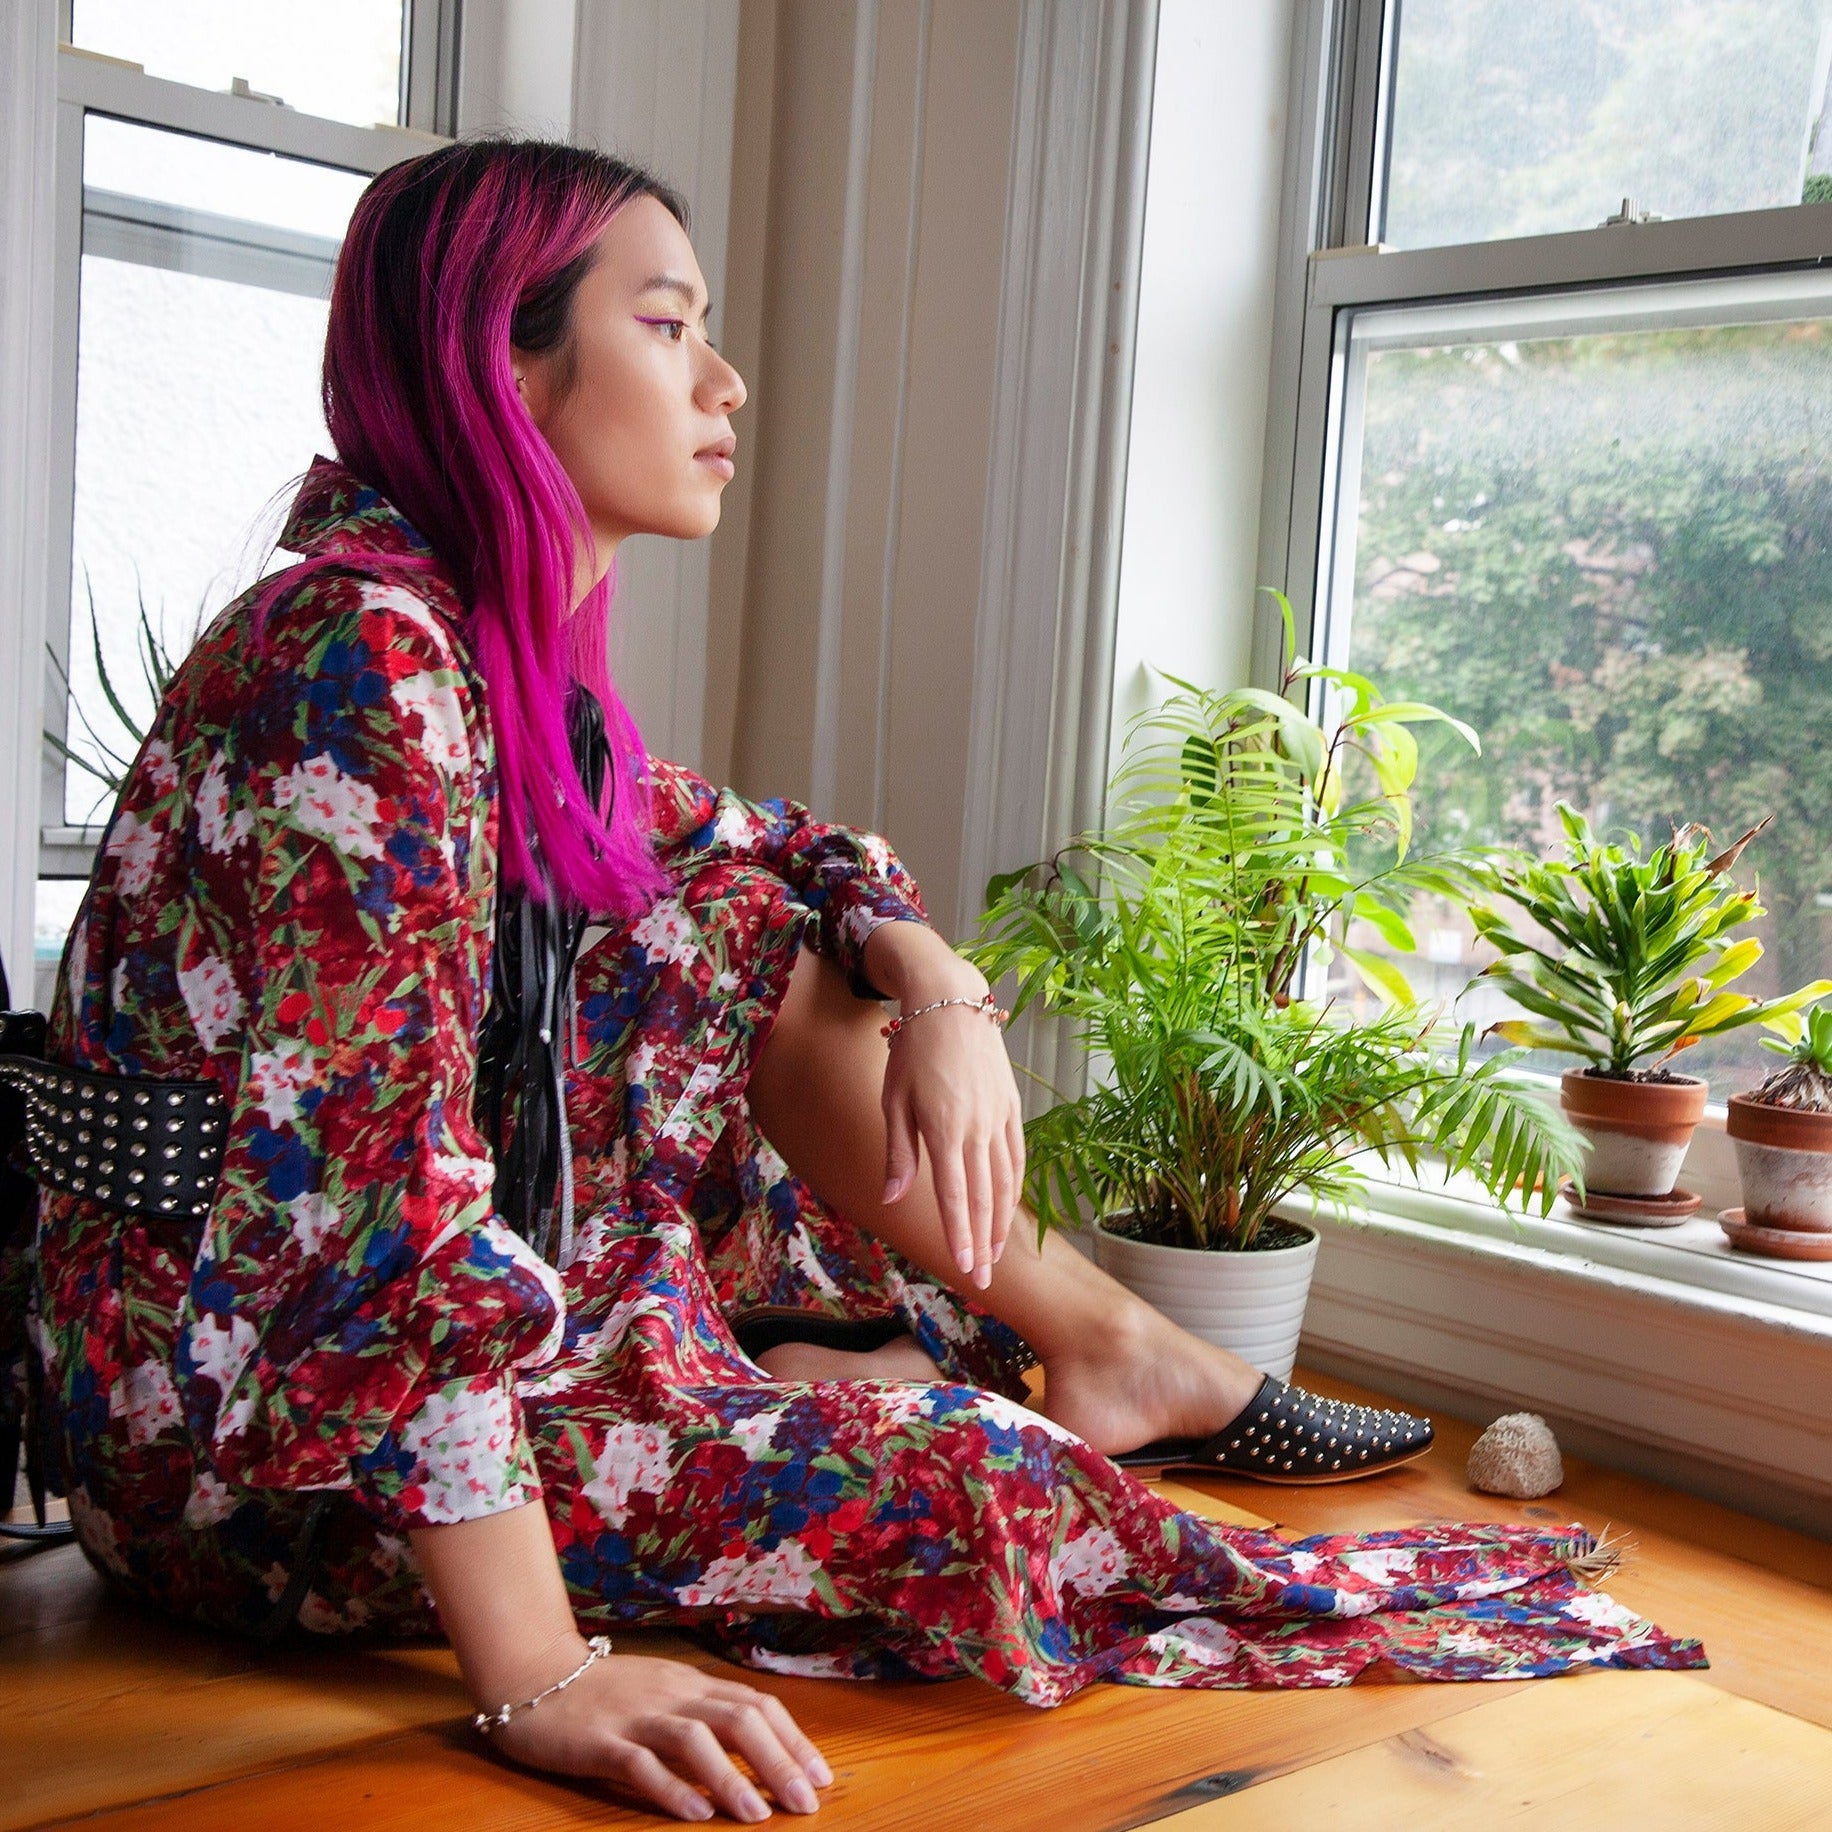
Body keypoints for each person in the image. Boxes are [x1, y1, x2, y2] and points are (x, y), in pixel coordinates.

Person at [9, 142, 1701, 1824]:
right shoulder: (357, 664)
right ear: (500, 365)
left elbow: (780, 845)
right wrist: (542, 1673)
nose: (726, 380)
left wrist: (936, 985)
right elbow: (370, 1210)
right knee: (977, 1487)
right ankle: (887, 1377)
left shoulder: (478, 660)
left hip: (357, 1348)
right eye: (668, 327)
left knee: (749, 917)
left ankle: (1089, 1341)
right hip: (241, 1448)